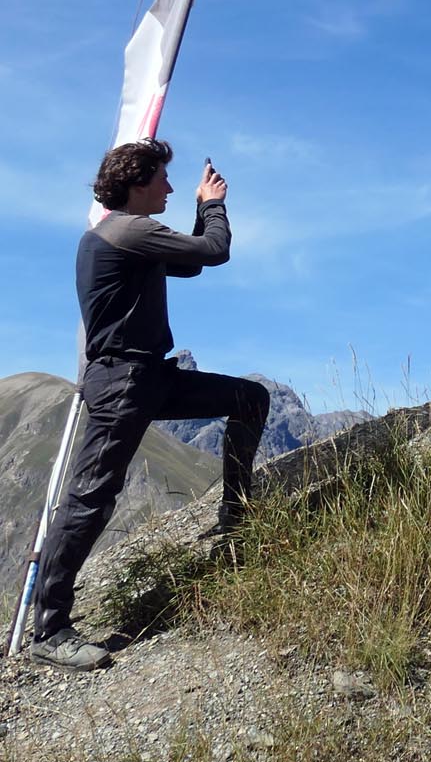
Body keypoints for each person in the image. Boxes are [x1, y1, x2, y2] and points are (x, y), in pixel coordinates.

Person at [29, 140, 269, 671]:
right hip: (122, 382)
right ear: (137, 183)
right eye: (163, 178)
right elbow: (214, 250)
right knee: (91, 496)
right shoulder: (126, 230)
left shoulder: (127, 234)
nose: (171, 186)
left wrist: (198, 215)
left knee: (248, 398)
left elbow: (190, 264)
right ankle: (48, 627)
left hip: (144, 376)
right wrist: (212, 204)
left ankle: (235, 514)